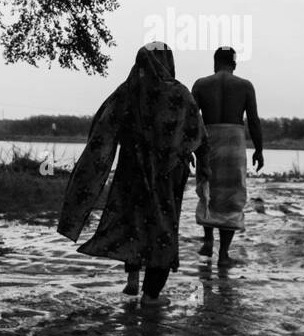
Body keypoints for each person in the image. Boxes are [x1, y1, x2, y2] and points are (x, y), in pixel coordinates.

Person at [57, 42, 209, 306]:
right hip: (166, 177)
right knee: (162, 229)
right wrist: (198, 162)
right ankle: (152, 295)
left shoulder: (128, 92)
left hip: (131, 175)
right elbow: (198, 134)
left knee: (133, 224)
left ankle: (132, 280)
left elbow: (101, 131)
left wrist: (89, 176)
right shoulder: (179, 94)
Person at [191, 46, 263, 266]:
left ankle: (207, 240)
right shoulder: (245, 86)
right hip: (233, 142)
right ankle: (223, 255)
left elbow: (191, 119)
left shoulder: (201, 85)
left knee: (208, 189)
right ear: (234, 64)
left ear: (215, 62)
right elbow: (253, 120)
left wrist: (189, 147)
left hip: (208, 140)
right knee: (231, 197)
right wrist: (259, 149)